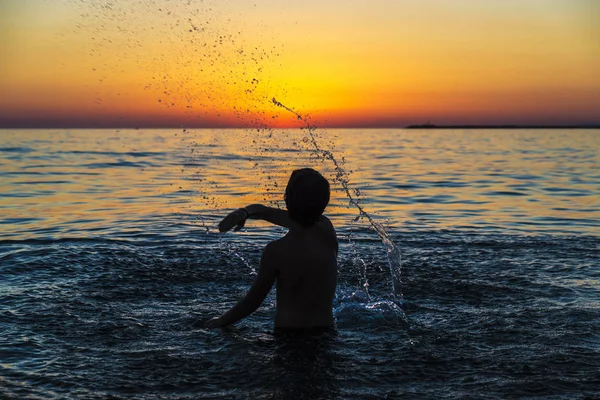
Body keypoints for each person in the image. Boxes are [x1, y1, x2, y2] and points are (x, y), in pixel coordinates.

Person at [204, 168, 338, 330]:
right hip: (327, 333)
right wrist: (245, 212)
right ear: (325, 202)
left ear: (287, 200)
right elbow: (272, 213)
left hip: (289, 338)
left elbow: (252, 302)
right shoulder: (327, 231)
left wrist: (218, 322)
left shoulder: (276, 251)